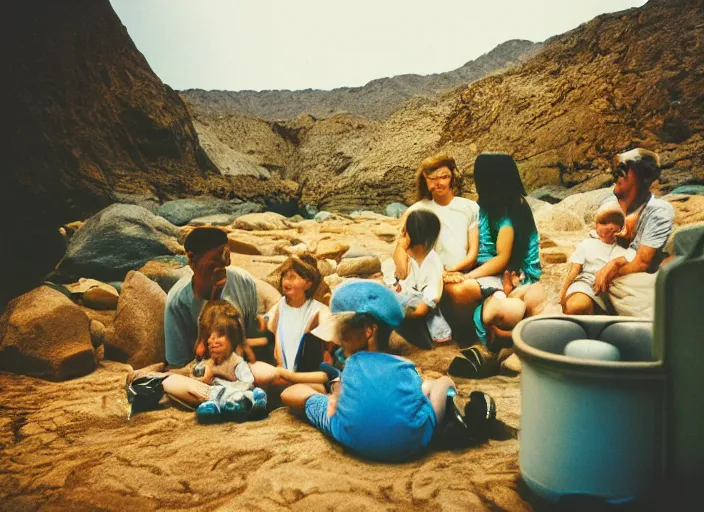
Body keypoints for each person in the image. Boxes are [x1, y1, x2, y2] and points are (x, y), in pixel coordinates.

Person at [280, 281, 497, 462]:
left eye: (343, 331)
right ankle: (451, 406)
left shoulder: (353, 366)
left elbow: (288, 395)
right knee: (438, 385)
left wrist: (327, 397)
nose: (339, 339)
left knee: (308, 399)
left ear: (369, 331)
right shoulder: (404, 367)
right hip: (413, 443)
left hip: (351, 436)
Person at [444, 153, 545, 344]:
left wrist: (468, 276)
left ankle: (470, 333)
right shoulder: (496, 204)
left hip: (509, 273)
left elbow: (502, 258)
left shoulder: (506, 213)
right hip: (489, 267)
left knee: (457, 290)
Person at [129, 300, 268, 423]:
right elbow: (192, 371)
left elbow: (247, 382)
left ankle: (232, 403)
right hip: (204, 388)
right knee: (165, 379)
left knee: (170, 381)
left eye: (217, 337)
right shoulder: (207, 361)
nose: (210, 342)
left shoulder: (234, 362)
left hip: (222, 393)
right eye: (207, 338)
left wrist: (216, 383)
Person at [164, 227, 261, 368]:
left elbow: (250, 335)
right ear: (191, 258)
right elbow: (178, 363)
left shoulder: (244, 282)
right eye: (217, 257)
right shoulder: (177, 302)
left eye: (227, 256)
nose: (226, 264)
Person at [593, 148, 675, 317]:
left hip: (650, 276)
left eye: (624, 173)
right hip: (633, 273)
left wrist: (613, 268)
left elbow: (642, 262)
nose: (617, 182)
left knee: (612, 282)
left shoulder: (658, 211)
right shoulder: (624, 207)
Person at [383, 209, 452, 346]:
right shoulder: (407, 255)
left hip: (421, 314)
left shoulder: (432, 262)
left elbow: (424, 307)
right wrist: (400, 248)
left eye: (404, 231)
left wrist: (393, 313)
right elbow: (401, 273)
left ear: (410, 235)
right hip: (407, 303)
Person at [561, 203, 636, 315]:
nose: (609, 228)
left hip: (612, 290)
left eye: (614, 224)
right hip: (585, 284)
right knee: (577, 305)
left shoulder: (626, 250)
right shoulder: (586, 244)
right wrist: (563, 293)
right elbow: (574, 270)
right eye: (603, 223)